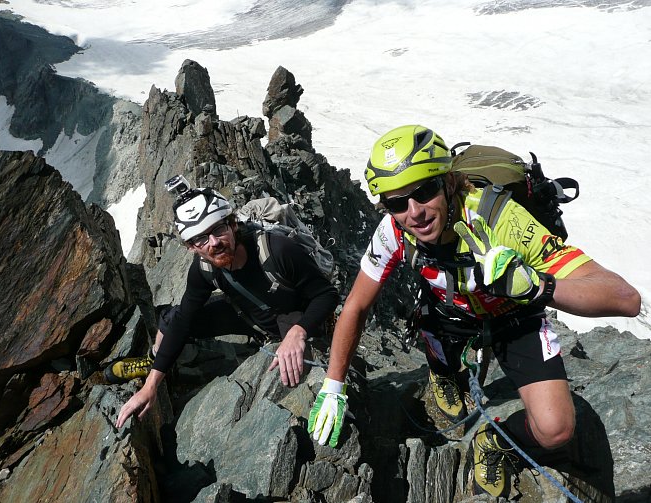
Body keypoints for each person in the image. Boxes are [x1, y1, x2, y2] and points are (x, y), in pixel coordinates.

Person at [307, 125, 641, 497]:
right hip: (449, 314)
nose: (413, 213)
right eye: (397, 203)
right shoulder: (393, 232)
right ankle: (444, 374)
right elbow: (356, 305)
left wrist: (535, 286)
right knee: (432, 323)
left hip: (514, 317)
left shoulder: (501, 220)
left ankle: (495, 442)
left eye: (424, 191)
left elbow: (626, 299)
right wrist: (333, 386)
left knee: (555, 430)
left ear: (449, 182)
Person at [109, 183, 338, 429]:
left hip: (291, 319)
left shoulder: (277, 250)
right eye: (200, 239)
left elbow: (326, 294)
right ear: (191, 247)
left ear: (233, 224)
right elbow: (184, 320)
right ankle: (153, 362)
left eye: (218, 229)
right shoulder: (204, 269)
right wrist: (151, 385)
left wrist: (299, 331)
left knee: (290, 375)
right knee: (171, 319)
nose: (213, 242)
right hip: (248, 315)